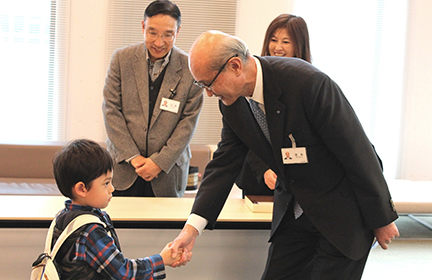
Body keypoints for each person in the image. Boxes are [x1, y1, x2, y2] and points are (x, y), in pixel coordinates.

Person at [170, 31, 400, 279]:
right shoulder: (233, 104)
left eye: (208, 83)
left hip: (341, 213)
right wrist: (191, 230)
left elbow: (357, 151)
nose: (209, 93)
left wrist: (381, 218)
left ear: (235, 65)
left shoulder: (306, 82)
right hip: (294, 214)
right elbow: (224, 164)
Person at [102, 0, 203, 197]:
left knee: (164, 227)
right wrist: (133, 157)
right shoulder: (121, 59)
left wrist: (159, 162)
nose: (159, 42)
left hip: (167, 172)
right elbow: (111, 110)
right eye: (152, 32)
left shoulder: (190, 68)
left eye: (168, 35)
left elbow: (188, 123)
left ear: (178, 31)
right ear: (143, 26)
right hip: (124, 168)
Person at [51, 139, 189, 279]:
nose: (112, 188)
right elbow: (124, 273)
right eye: (106, 183)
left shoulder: (62, 217)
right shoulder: (90, 230)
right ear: (82, 188)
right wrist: (162, 259)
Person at [236, 14, 311, 196]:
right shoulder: (253, 81)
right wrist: (264, 169)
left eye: (286, 42)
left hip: (298, 181)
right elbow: (248, 134)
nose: (277, 47)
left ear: (299, 45)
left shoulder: (309, 83)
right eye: (273, 40)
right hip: (258, 180)